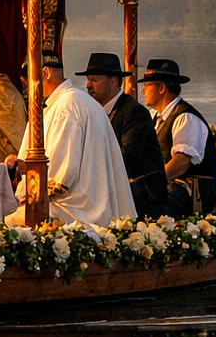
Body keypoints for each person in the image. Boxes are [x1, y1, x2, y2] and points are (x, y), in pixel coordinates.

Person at [7, 54, 135, 228]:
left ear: (45, 73)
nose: (29, 88)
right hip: (93, 201)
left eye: (30, 81)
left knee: (5, 221)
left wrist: (23, 174)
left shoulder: (66, 107)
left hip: (76, 209)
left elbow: (60, 175)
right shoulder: (78, 101)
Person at [75, 52, 166, 220]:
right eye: (88, 79)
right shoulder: (96, 112)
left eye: (94, 79)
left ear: (113, 81)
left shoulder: (134, 112)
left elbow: (128, 160)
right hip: (115, 186)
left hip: (143, 193)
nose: (88, 85)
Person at [138, 58, 216, 217]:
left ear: (161, 87)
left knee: (150, 206)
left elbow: (181, 162)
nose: (142, 91)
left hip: (194, 191)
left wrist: (153, 184)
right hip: (173, 185)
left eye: (146, 86)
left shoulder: (185, 117)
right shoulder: (158, 118)